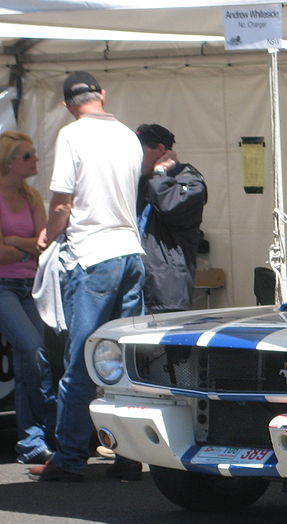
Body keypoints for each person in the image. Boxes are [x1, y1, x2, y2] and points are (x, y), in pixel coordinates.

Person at [30, 71, 145, 483]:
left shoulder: (72, 135)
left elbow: (62, 201)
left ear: (67, 104)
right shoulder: (128, 136)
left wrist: (47, 233)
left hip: (93, 256)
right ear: (102, 95)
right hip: (131, 251)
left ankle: (70, 457)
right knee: (125, 361)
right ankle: (130, 454)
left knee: (80, 360)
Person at [0, 131, 56, 465]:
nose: (35, 159)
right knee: (32, 350)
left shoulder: (32, 194)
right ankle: (36, 436)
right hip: (4, 286)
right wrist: (26, 246)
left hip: (31, 286)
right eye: (27, 156)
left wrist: (14, 241)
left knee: (33, 359)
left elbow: (43, 243)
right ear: (9, 162)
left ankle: (34, 439)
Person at [135, 123, 207, 313]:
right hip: (137, 283)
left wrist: (160, 173)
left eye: (139, 151)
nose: (134, 158)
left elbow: (170, 205)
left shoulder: (190, 181)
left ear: (160, 150)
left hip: (166, 288)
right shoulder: (141, 181)